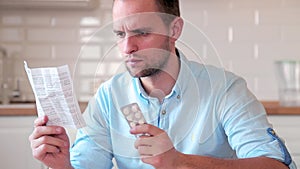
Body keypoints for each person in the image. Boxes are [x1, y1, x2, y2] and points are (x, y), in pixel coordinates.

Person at [29, 0, 297, 169]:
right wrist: (62, 164)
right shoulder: (109, 96)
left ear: (174, 30)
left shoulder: (225, 90)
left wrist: (180, 162)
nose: (127, 47)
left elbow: (275, 165)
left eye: (141, 33)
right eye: (120, 34)